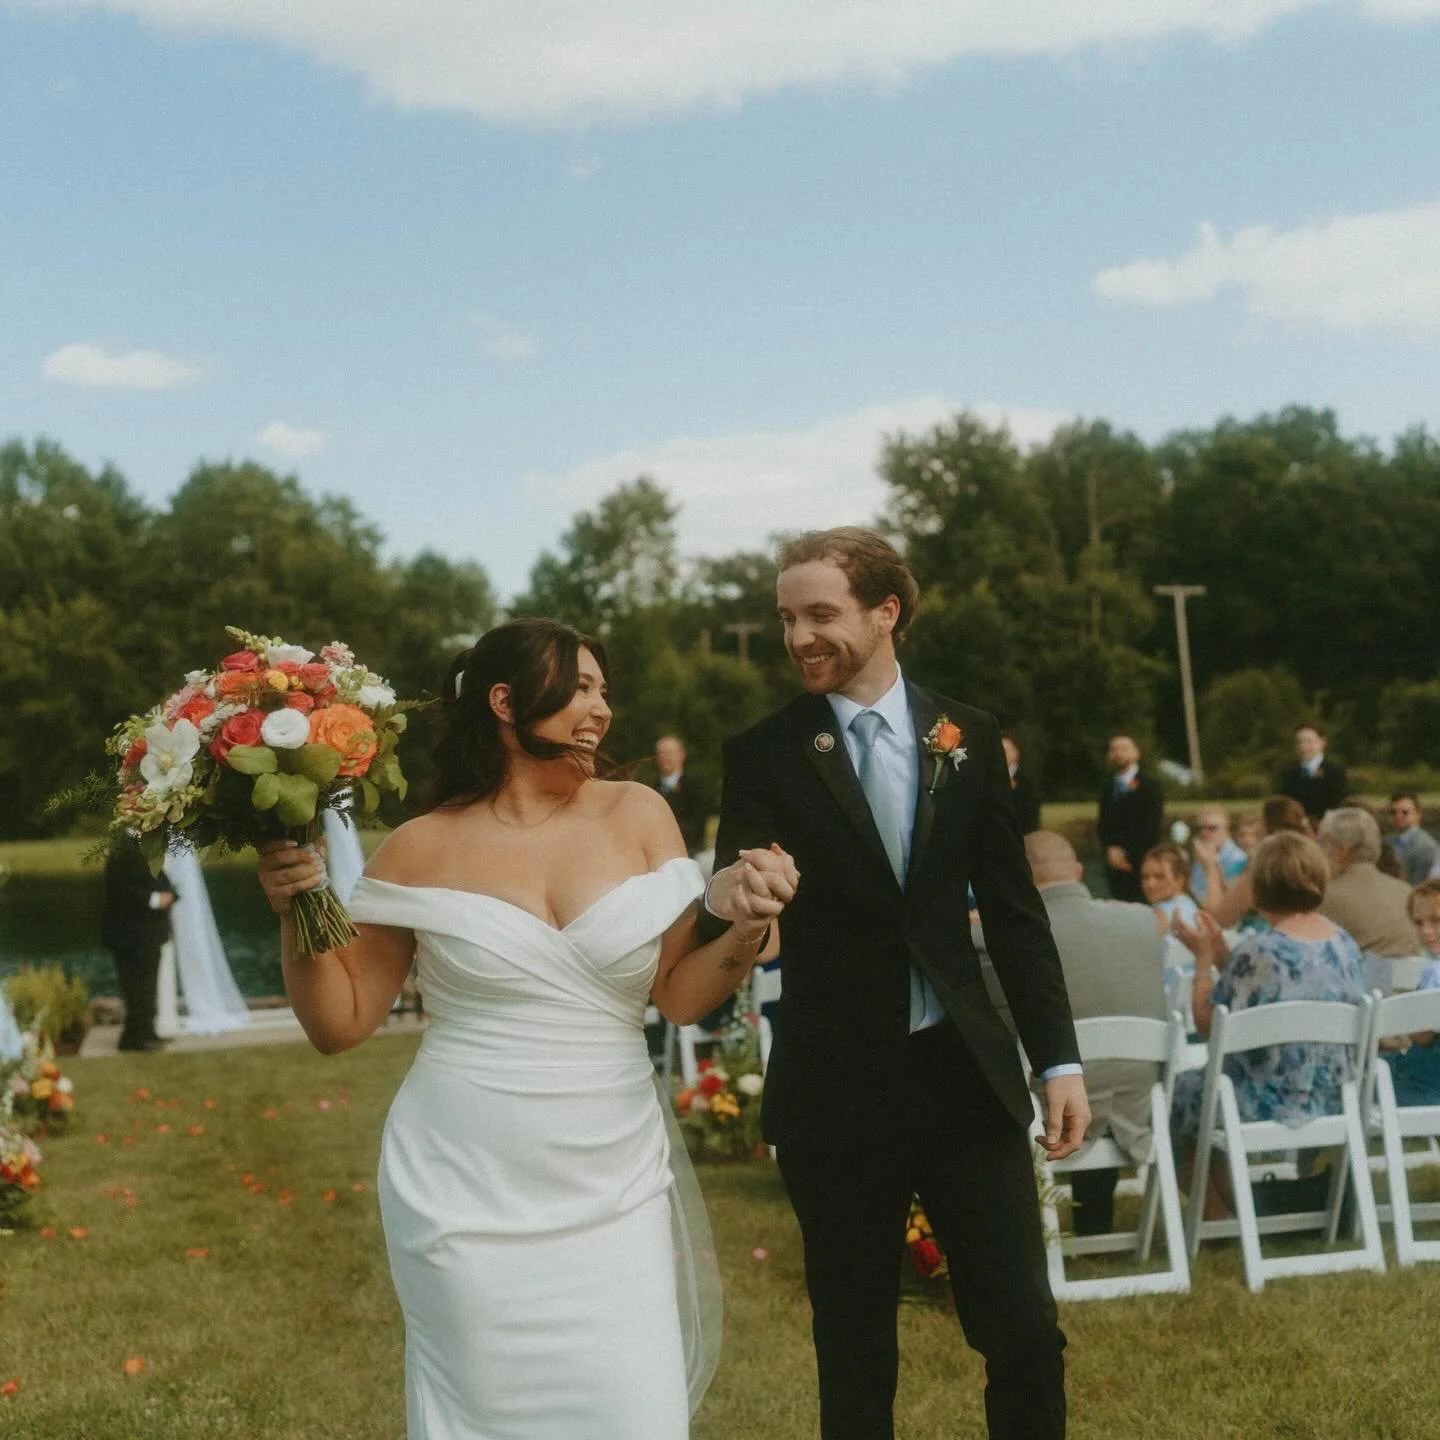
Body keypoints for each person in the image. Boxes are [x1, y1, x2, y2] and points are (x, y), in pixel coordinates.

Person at [257, 618, 795, 1439]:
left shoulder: (639, 814)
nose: (601, 709)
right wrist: (299, 909)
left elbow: (681, 999)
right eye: (580, 688)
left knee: (635, 1412)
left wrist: (749, 929)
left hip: (614, 1185)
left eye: (604, 691)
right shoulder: (416, 849)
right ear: (504, 701)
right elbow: (339, 1022)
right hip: (462, 1192)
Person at [701, 527, 1086, 1440]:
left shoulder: (969, 737)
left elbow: (1016, 914)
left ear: (887, 613)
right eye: (787, 617)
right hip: (836, 1086)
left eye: (820, 614)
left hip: (965, 1079)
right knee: (855, 1345)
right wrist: (735, 896)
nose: (798, 637)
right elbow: (731, 901)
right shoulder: (763, 752)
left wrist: (1059, 1060)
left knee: (1024, 1331)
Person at [1170, 832, 1368, 1213]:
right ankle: (1245, 1207)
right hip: (1334, 1093)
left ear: (1258, 888)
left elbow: (1212, 1029)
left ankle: (1219, 1217)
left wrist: (1201, 960)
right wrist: (1222, 956)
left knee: (1176, 1096)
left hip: (1263, 1099)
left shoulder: (1258, 951)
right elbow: (1267, 997)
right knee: (1198, 1090)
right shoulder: (1343, 943)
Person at [1018, 831, 1166, 1237]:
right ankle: (1094, 1223)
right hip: (1141, 1099)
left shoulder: (1009, 936)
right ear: (1079, 873)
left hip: (1057, 1105)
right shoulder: (1142, 919)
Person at [101, 835, 176, 1052]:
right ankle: (133, 1038)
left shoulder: (151, 848)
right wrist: (154, 900)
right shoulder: (121, 850)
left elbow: (163, 880)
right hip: (128, 935)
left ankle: (147, 1032)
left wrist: (171, 895)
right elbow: (118, 891)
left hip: (151, 933)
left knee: (149, 985)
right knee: (135, 987)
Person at [1316, 807, 1421, 959]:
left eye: (1321, 843)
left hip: (1360, 981)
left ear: (1342, 850)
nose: (1317, 851)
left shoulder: (1324, 898)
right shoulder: (1407, 892)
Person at [1196, 795, 1311, 931]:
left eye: (1259, 821)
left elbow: (1216, 920)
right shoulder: (1308, 863)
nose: (1256, 828)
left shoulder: (1264, 873)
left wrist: (1211, 868)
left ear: (1267, 828)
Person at [1382, 879, 1440, 1106]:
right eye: (1418, 923)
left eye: (1436, 920)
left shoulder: (1434, 973)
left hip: (1427, 1085)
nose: (1426, 931)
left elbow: (1423, 1035)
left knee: (1370, 1076)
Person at [1097, 733, 1163, 903]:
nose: (1118, 754)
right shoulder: (1107, 788)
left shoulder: (1150, 787)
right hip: (1114, 869)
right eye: (1114, 749)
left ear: (1136, 753)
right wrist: (1110, 850)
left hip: (1140, 865)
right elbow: (1103, 826)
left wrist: (1127, 854)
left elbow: (1151, 827)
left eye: (1124, 749)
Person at [652, 734, 710, 857]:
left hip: (689, 852)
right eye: (661, 754)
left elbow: (697, 826)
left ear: (682, 754)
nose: (665, 758)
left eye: (669, 753)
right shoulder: (651, 788)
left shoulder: (695, 786)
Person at [1278, 722, 1348, 825]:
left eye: (1309, 742)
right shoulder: (1290, 774)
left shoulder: (1335, 771)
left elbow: (1341, 804)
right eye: (1299, 742)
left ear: (1322, 742)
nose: (1304, 747)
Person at [1188, 806, 1248, 903]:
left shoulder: (1239, 859)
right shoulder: (1201, 854)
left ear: (1227, 830)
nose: (1204, 833)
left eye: (1212, 828)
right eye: (1200, 828)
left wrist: (1211, 865)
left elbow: (1229, 896)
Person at [1387, 791, 1439, 887]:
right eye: (1393, 812)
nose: (1398, 816)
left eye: (1405, 812)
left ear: (1418, 814)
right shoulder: (1387, 842)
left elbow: (1420, 883)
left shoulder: (1426, 847)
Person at [1001, 733, 1041, 834]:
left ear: (1016, 753)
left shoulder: (1025, 780)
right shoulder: (991, 778)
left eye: (1006, 750)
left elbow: (1030, 815)